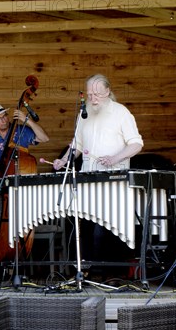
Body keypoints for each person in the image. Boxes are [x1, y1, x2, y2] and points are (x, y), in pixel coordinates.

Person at [52, 74, 144, 278]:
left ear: (108, 92)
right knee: (83, 227)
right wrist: (64, 160)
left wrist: (115, 158)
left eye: (97, 95)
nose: (92, 99)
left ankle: (111, 274)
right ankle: (87, 271)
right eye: (89, 94)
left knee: (106, 230)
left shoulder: (121, 113)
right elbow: (77, 145)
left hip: (114, 180)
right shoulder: (84, 114)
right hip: (88, 179)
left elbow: (136, 143)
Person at [0, 102, 49, 177]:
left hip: (20, 177)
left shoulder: (22, 130)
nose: (4, 121)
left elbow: (45, 138)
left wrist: (27, 120)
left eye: (4, 116)